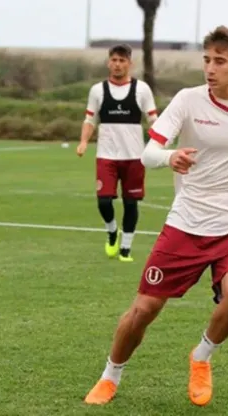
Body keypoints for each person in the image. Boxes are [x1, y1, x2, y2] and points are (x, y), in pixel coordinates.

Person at [83, 25, 228, 407]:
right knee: (144, 310)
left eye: (219, 61)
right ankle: (110, 374)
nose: (210, 69)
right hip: (187, 223)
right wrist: (170, 158)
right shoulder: (188, 100)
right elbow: (149, 152)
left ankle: (201, 356)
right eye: (206, 60)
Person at [76, 43, 159, 262]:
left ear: (130, 64)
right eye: (114, 60)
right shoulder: (97, 90)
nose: (118, 64)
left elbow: (153, 119)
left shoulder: (142, 90)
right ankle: (112, 231)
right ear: (108, 62)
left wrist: (160, 141)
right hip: (106, 156)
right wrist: (84, 141)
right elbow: (89, 119)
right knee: (104, 201)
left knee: (131, 204)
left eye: (122, 60)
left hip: (134, 157)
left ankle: (125, 249)